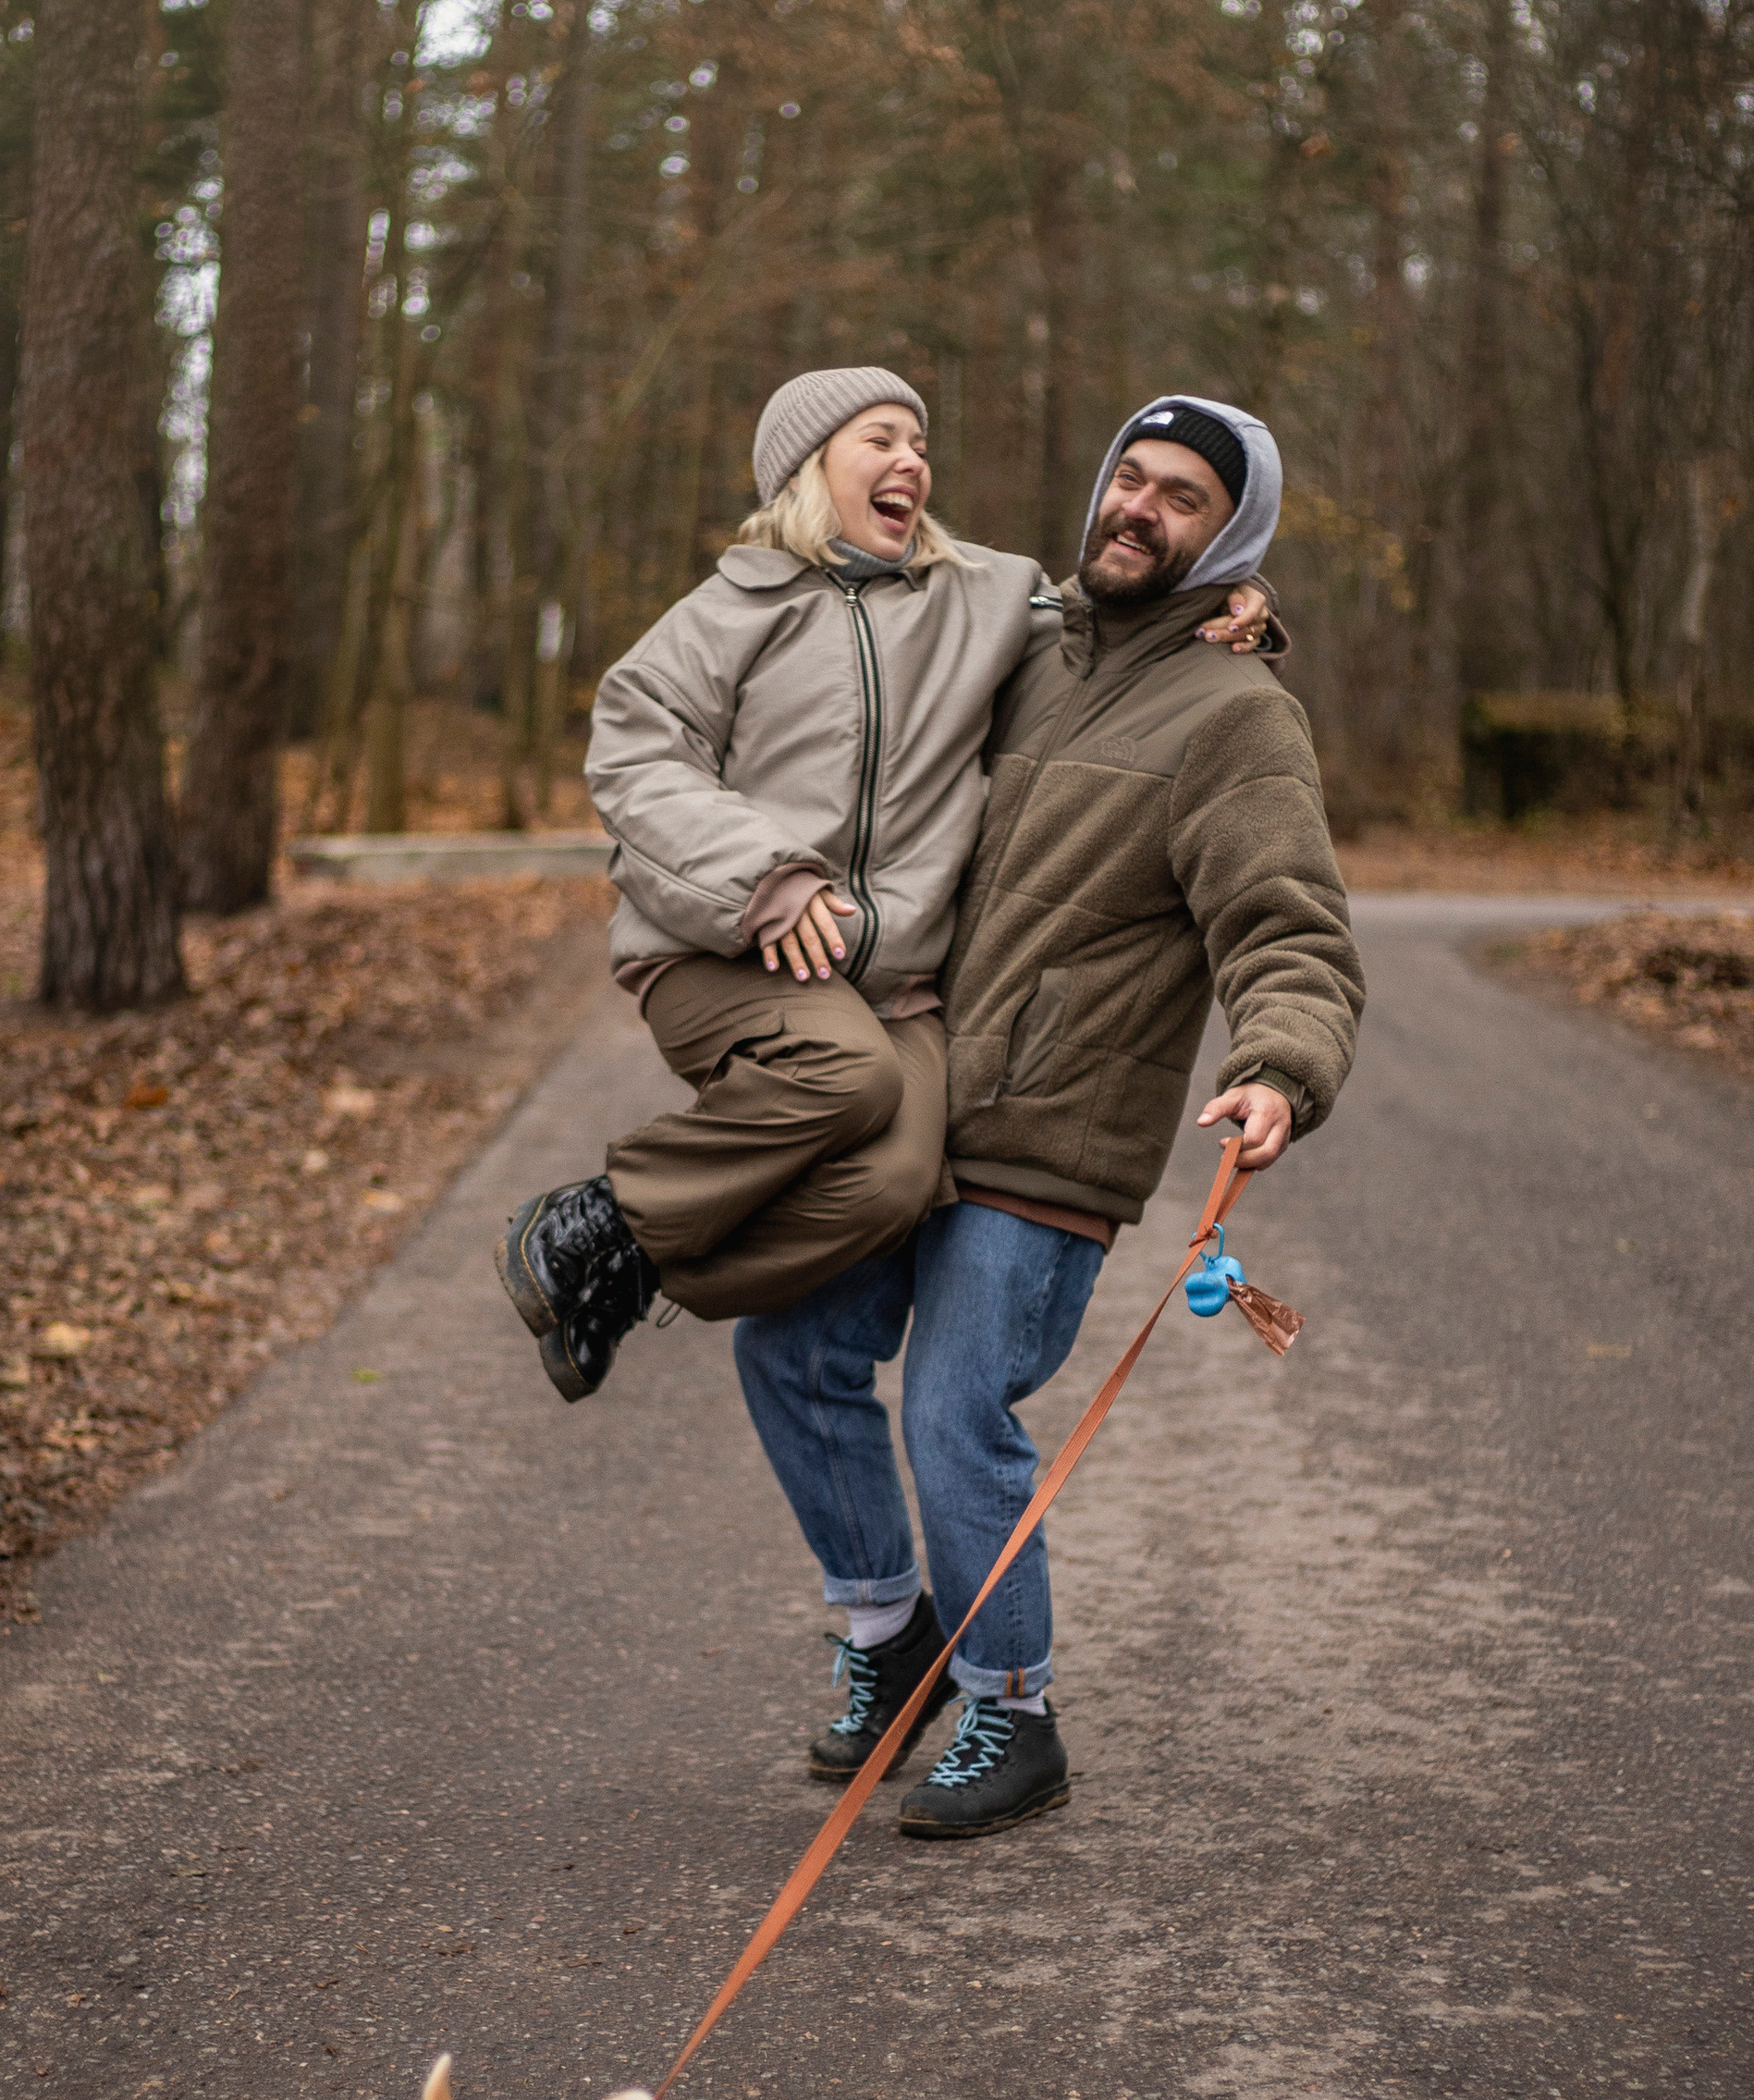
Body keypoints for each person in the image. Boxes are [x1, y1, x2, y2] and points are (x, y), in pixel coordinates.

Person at [732, 391, 1365, 1838]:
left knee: (958, 1406)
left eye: (1183, 500)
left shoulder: (1238, 715)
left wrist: (1281, 1065)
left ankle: (1011, 1717)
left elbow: (1293, 933)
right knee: (792, 1344)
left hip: (1053, 1138)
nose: (1139, 509)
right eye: (1129, 479)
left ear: (1232, 537)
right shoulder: (1018, 647)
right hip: (914, 1100)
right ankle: (893, 1638)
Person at [492, 363, 1284, 1400]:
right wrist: (765, 879)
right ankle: (602, 1212)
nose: (910, 460)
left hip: (890, 979)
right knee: (848, 1078)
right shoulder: (725, 613)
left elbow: (1119, 626)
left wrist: (1237, 608)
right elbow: (633, 758)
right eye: (880, 439)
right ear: (809, 466)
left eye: (919, 445)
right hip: (724, 950)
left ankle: (627, 1262)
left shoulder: (984, 597)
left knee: (897, 1185)